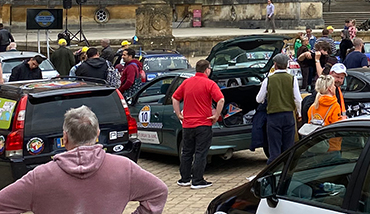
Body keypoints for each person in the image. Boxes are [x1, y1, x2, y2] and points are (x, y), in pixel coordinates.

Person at [0, 105, 168, 214]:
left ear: (64, 137)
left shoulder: (40, 176)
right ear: (97, 134)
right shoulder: (124, 168)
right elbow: (159, 192)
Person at [172, 59, 225, 189]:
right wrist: (216, 115)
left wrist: (178, 113)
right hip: (203, 123)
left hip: (188, 124)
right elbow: (221, 99)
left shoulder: (186, 82)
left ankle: (184, 179)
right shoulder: (210, 83)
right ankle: (197, 180)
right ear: (206, 69)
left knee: (187, 152)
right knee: (201, 152)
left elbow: (175, 97)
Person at [256, 53, 302, 163]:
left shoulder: (268, 80)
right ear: (286, 65)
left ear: (275, 65)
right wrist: (299, 113)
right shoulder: (292, 79)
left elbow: (258, 99)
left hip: (273, 116)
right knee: (288, 146)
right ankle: (287, 168)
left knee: (274, 147)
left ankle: (274, 168)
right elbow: (298, 99)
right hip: (288, 115)